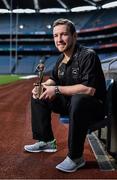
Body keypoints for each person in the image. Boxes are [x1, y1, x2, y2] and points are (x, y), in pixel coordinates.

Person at [24, 18, 106, 172]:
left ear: (74, 36)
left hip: (93, 107)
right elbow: (54, 79)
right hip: (72, 104)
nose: (59, 39)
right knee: (39, 95)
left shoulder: (88, 55)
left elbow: (89, 90)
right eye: (55, 36)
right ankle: (47, 141)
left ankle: (76, 157)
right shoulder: (61, 59)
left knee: (79, 98)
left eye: (63, 35)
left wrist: (56, 90)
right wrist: (42, 86)